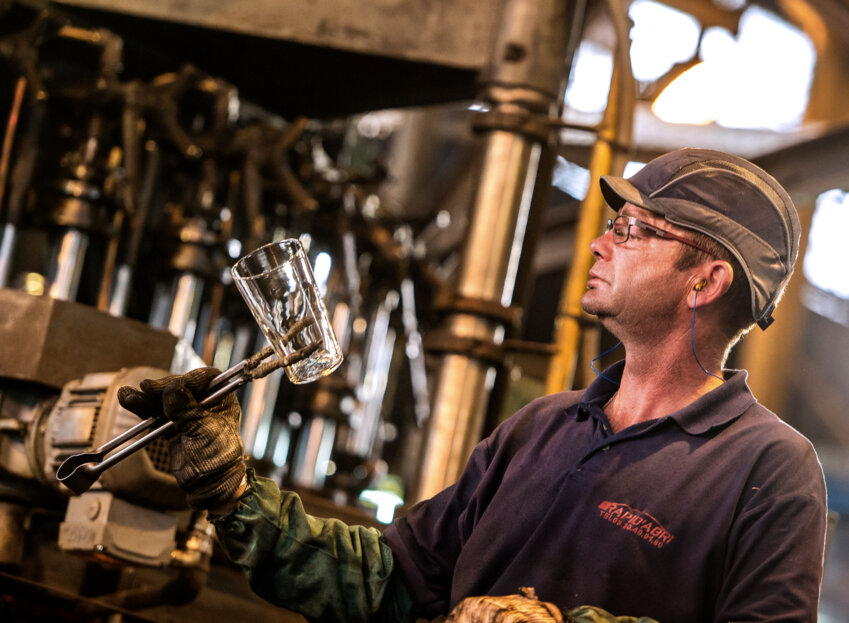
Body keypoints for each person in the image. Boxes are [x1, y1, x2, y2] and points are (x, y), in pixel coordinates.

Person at [118, 148, 828, 623]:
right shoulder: (542, 427)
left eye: (632, 228)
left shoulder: (767, 466)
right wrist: (232, 493)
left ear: (706, 279)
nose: (597, 242)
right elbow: (393, 582)